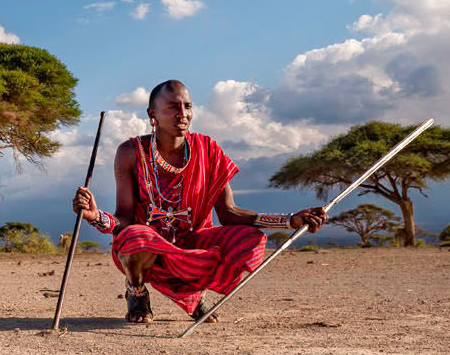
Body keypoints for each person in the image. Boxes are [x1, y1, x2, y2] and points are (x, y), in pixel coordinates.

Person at [71, 80, 327, 323]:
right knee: (135, 237)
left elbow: (229, 213)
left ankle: (194, 293)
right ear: (153, 113)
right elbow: (124, 219)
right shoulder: (130, 152)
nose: (182, 113)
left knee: (248, 240)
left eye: (188, 106)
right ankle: (136, 292)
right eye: (172, 107)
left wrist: (289, 220)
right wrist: (95, 217)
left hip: (194, 245)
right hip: (148, 247)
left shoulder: (209, 150)